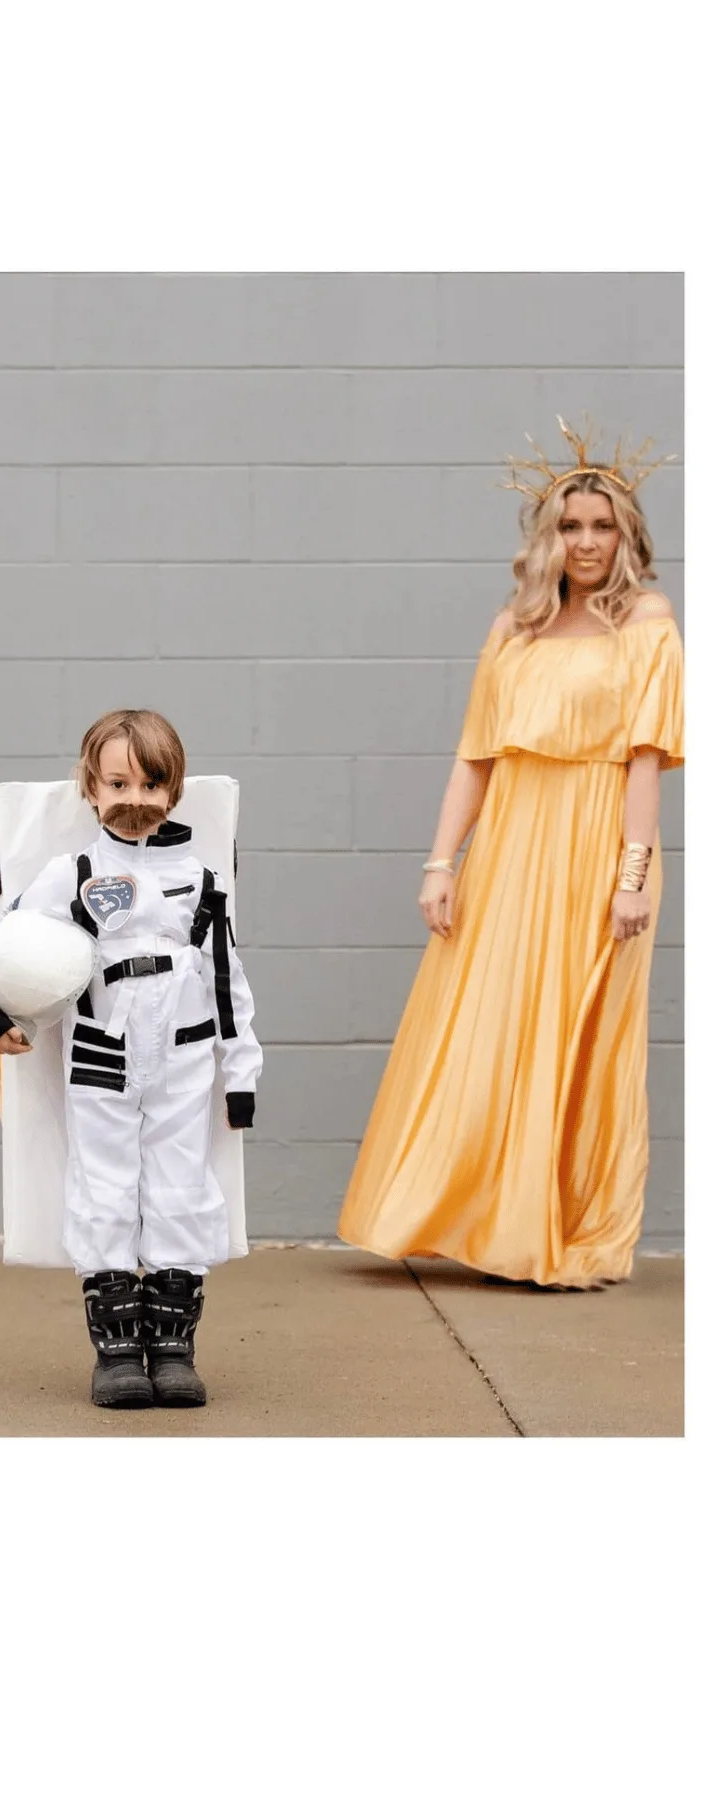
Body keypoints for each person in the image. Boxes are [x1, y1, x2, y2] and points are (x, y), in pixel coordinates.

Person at [338, 420, 683, 1291]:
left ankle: (556, 1227)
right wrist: (440, 862)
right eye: (571, 526)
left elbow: (645, 760)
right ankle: (474, 1218)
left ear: (627, 534)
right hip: (511, 848)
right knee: (488, 1024)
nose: (587, 542)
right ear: (548, 538)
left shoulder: (647, 620)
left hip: (599, 847)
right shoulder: (515, 626)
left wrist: (632, 877)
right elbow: (475, 757)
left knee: (578, 1034)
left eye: (603, 525)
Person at [0, 710, 263, 1406]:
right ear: (90, 788)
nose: (136, 799)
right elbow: (8, 936)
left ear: (175, 790)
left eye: (152, 784)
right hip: (102, 1048)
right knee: (103, 1183)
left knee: (180, 1185)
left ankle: (173, 1345)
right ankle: (117, 1349)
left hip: (185, 1053)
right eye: (118, 782)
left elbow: (228, 979)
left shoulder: (202, 879)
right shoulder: (74, 873)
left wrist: (241, 1068)